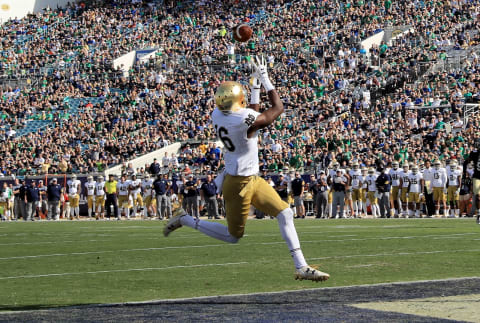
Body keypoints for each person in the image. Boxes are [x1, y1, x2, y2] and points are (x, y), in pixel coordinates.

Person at [164, 56, 329, 282]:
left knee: (285, 213)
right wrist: (266, 80)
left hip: (250, 178)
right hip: (238, 183)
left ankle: (301, 266)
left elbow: (251, 114)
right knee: (233, 236)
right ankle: (185, 220)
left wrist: (254, 88)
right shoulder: (240, 119)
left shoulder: (219, 114)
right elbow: (277, 109)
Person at [463, 140, 480, 224]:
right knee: (478, 196)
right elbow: (467, 161)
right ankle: (479, 215)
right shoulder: (474, 153)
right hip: (477, 176)